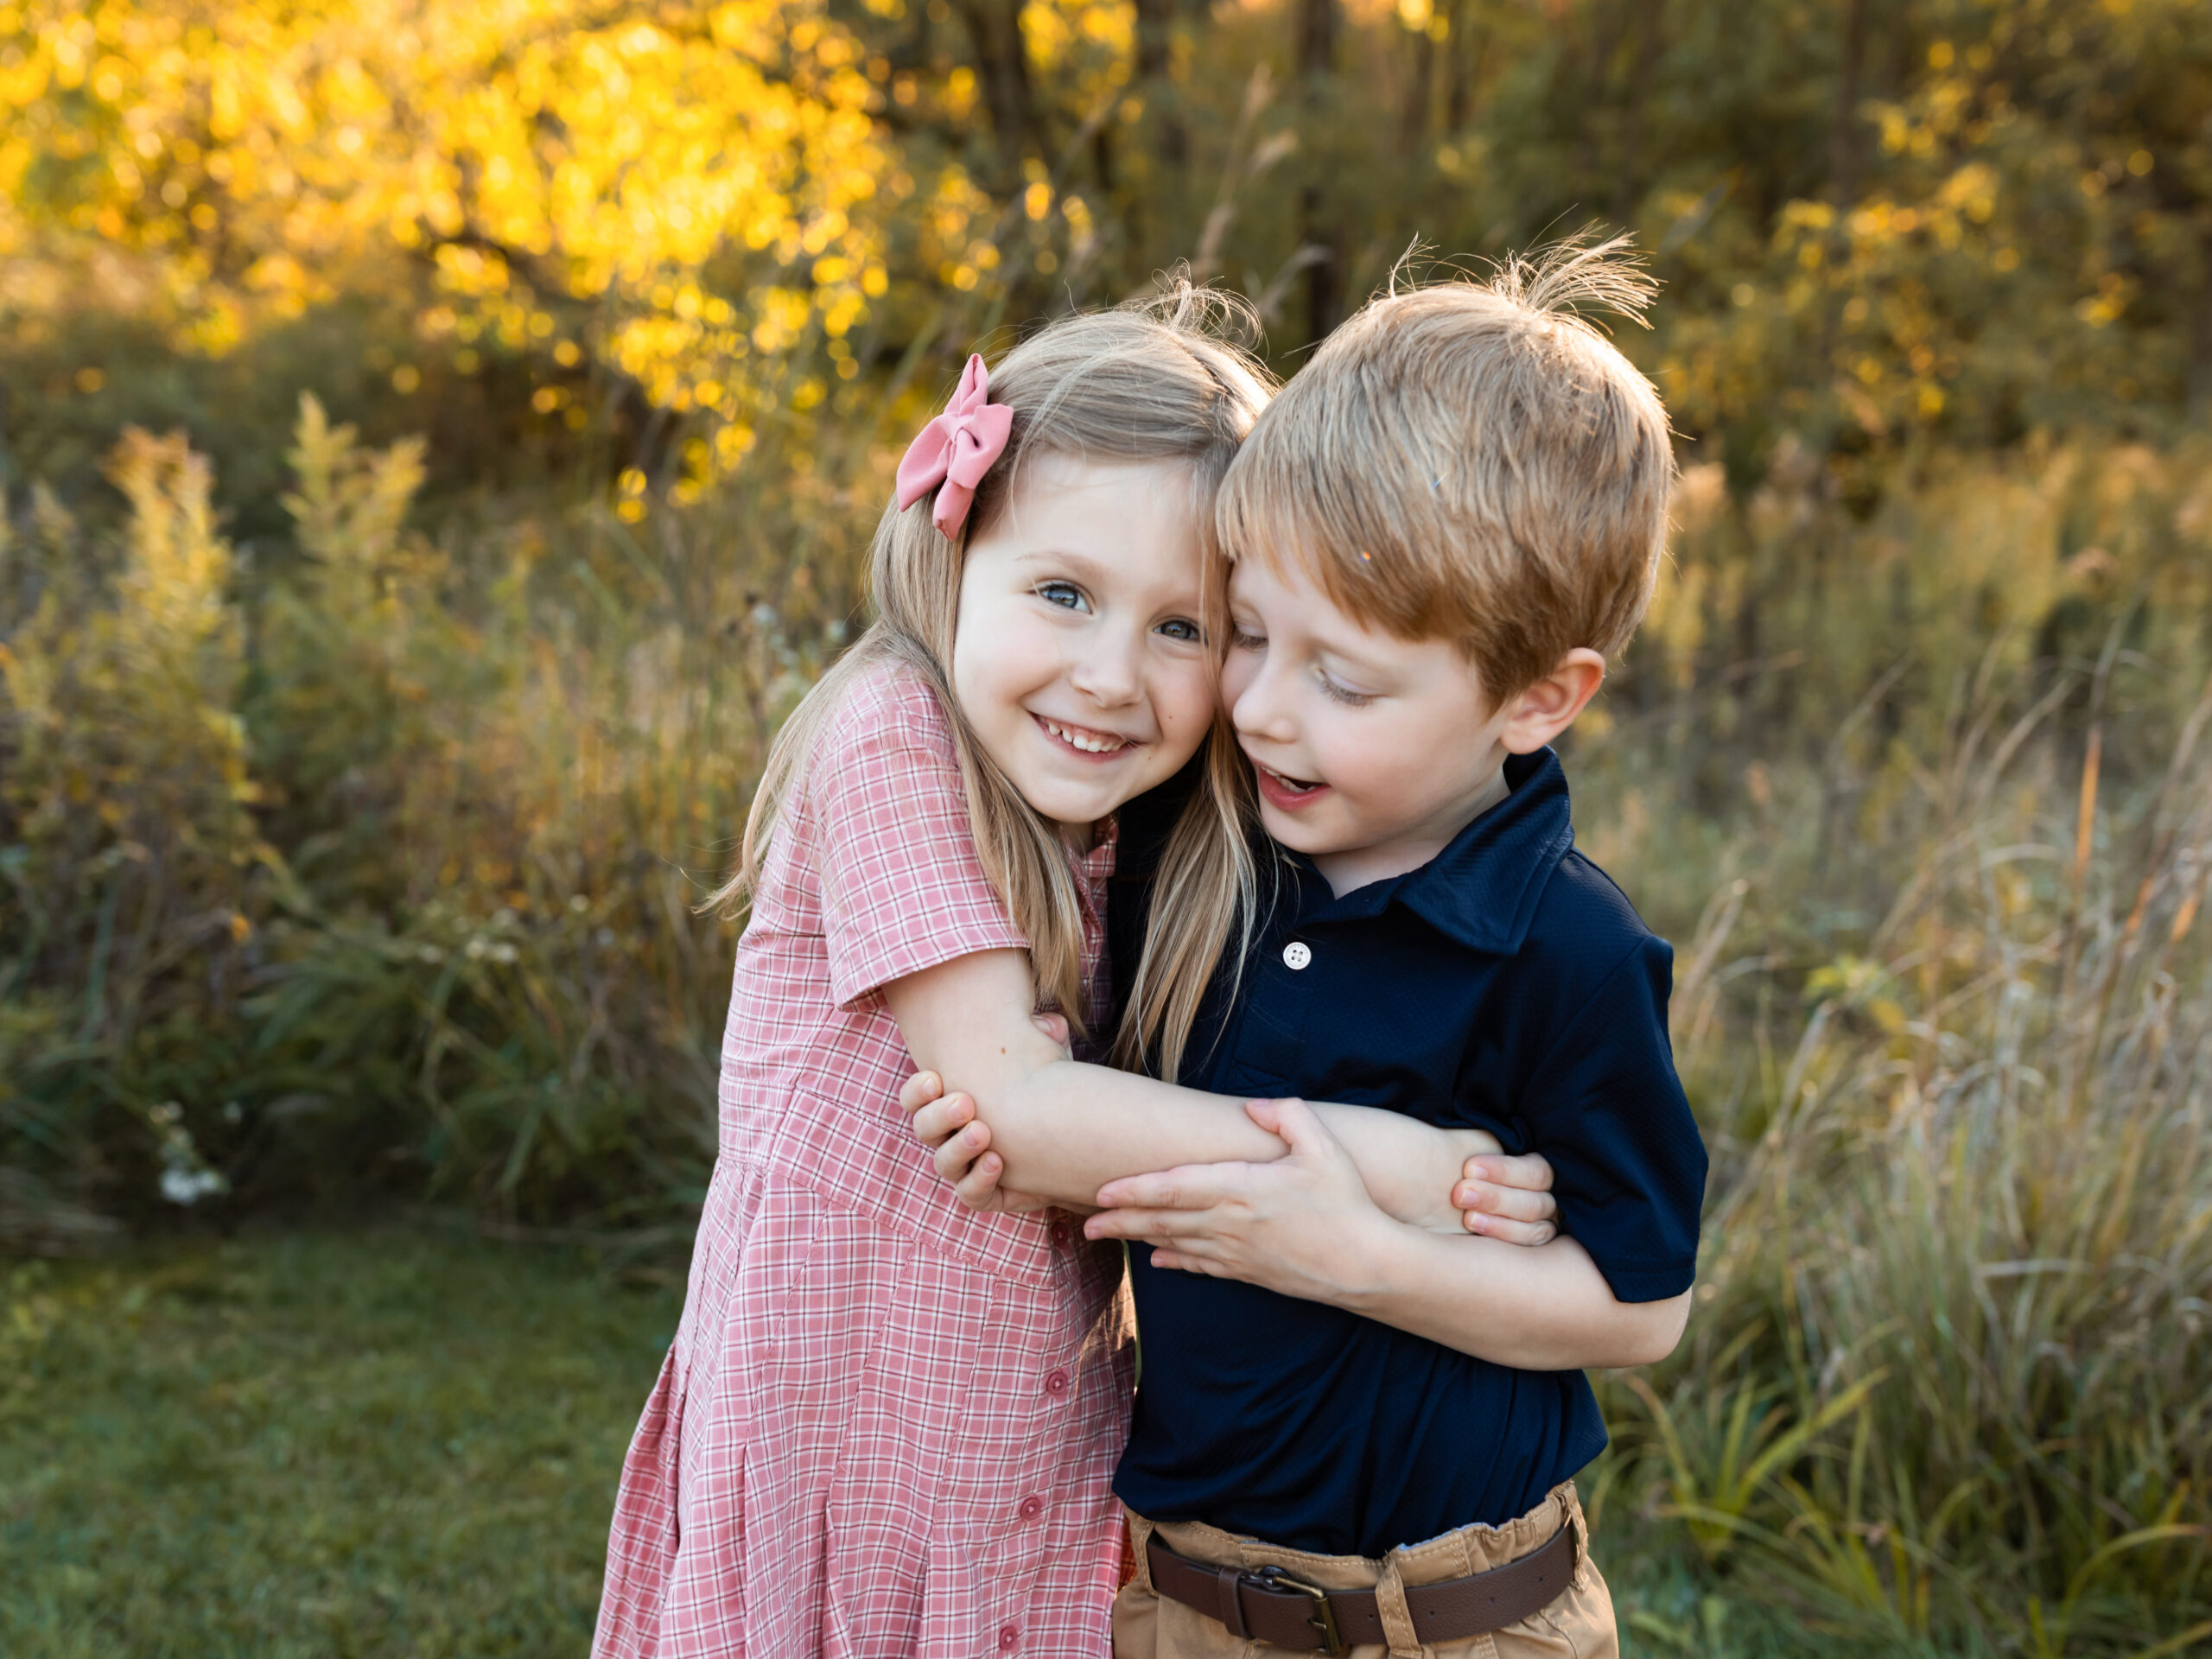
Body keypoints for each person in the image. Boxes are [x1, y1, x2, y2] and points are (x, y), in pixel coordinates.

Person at [591, 290, 1557, 1659]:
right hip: (843, 1432)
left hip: (1027, 1442)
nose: (1111, 676)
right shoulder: (891, 736)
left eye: (1184, 628)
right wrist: (1403, 1168)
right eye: (1063, 594)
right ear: (954, 553)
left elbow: (1084, 1113)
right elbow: (1024, 1112)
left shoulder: (1147, 825)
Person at [906, 239, 1707, 1659]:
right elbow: (1089, 1112)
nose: (1267, 711)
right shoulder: (1192, 854)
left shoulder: (1566, 949)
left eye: (1341, 679)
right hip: (1181, 1601)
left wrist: (1354, 1256)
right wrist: (1026, 1117)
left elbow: (1640, 1307)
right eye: (1250, 635)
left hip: (1460, 1617)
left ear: (1539, 696)